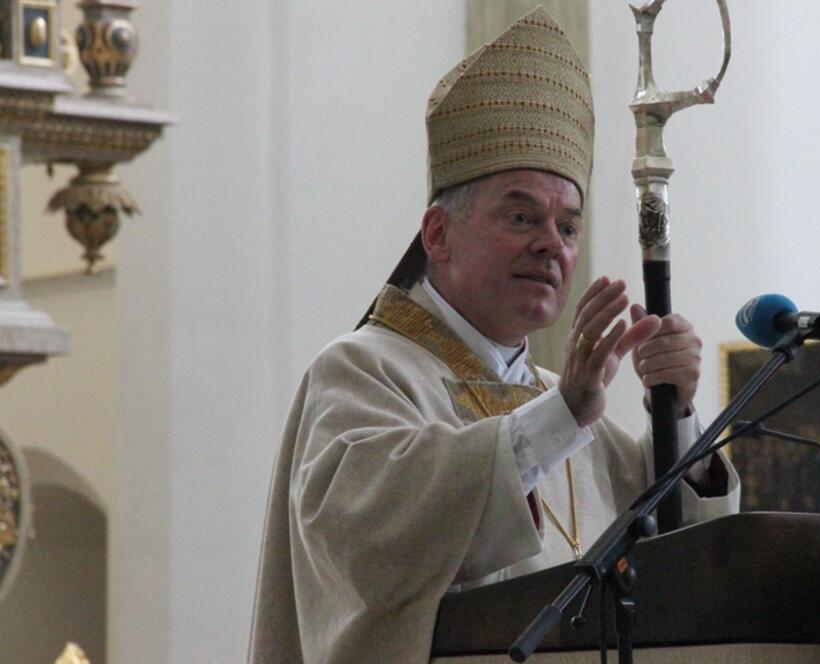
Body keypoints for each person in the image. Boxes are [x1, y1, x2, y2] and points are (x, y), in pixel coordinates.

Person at [248, 8, 738, 663]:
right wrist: (564, 413)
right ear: (438, 234)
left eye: (568, 227)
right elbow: (370, 548)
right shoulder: (361, 373)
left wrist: (675, 415)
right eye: (520, 216)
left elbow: (677, 562)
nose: (551, 245)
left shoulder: (567, 409)